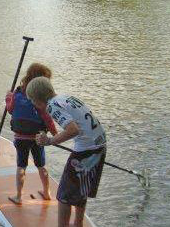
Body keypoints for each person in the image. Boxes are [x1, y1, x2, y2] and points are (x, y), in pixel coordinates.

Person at [27, 77, 107, 227]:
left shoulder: (52, 106)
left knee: (64, 195)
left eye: (31, 100)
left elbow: (73, 130)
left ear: (37, 100)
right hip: (100, 145)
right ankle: (78, 224)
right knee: (81, 188)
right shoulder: (65, 97)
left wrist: (49, 141)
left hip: (86, 150)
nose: (32, 103)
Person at [5, 63, 58, 205]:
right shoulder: (39, 96)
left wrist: (8, 98)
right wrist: (55, 134)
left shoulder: (17, 93)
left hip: (20, 138)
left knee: (21, 166)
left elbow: (10, 110)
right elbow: (47, 118)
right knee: (41, 165)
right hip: (37, 138)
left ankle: (18, 196)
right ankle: (47, 193)